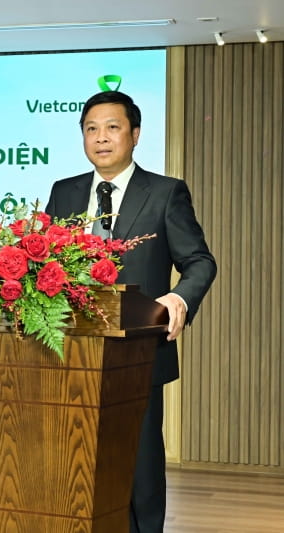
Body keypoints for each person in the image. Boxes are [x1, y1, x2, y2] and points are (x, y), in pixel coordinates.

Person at [45, 90, 216, 533]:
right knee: (75, 468)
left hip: (138, 354)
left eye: (112, 127)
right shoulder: (64, 193)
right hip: (71, 354)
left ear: (135, 135)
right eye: (91, 129)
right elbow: (44, 263)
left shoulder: (164, 192)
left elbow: (200, 261)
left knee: (138, 471)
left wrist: (178, 299)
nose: (101, 137)